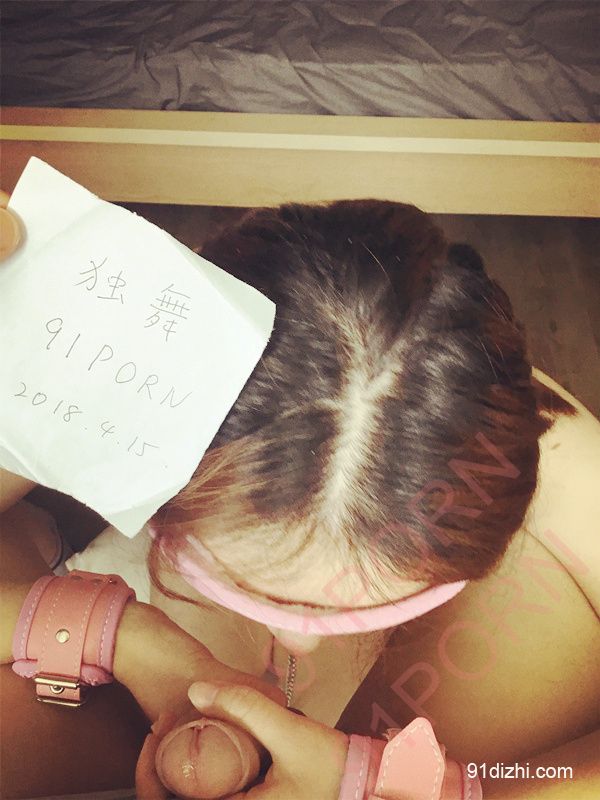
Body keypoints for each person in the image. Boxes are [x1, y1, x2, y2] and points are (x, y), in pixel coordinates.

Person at [1, 195, 599, 799]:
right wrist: (124, 635)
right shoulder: (90, 353)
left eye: (370, 607)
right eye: (238, 584)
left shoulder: (580, 488)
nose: (299, 640)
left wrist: (439, 789)